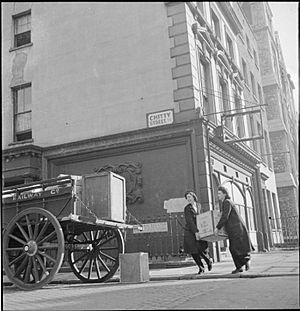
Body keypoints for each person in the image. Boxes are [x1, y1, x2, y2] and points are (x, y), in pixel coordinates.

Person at [214, 186, 255, 274]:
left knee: (234, 248)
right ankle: (242, 264)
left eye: (219, 193)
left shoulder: (227, 202)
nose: (218, 195)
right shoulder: (227, 202)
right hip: (235, 228)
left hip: (236, 228)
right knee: (235, 248)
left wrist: (217, 227)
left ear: (224, 194)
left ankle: (243, 263)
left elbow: (225, 216)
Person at [183, 190, 213, 274]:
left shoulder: (199, 206)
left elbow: (203, 217)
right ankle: (201, 268)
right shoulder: (187, 208)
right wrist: (195, 232)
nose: (188, 199)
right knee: (194, 251)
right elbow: (190, 222)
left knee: (201, 249)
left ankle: (208, 261)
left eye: (189, 196)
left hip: (200, 230)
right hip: (190, 232)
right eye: (187, 197)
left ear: (193, 197)